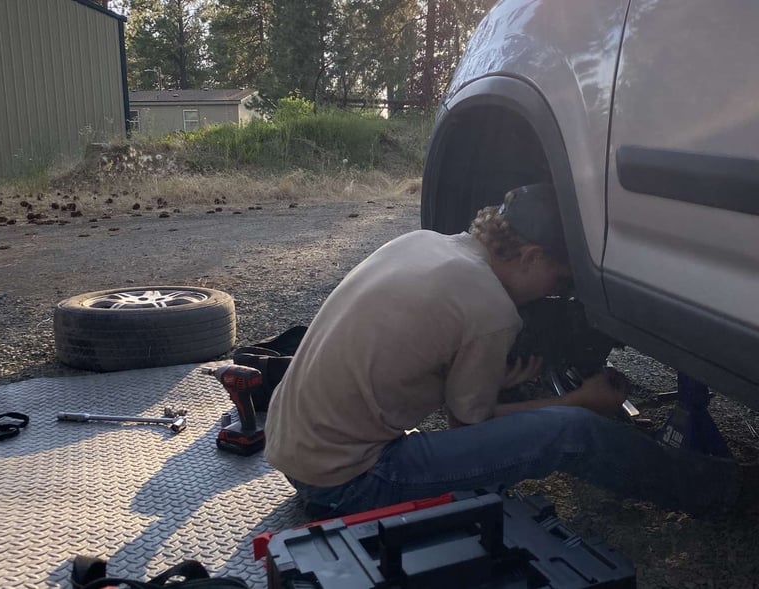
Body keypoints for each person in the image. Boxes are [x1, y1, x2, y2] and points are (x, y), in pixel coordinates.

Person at [264, 183, 745, 518]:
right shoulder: (491, 307)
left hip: (296, 455)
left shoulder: (426, 243)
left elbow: (426, 367)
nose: (558, 291)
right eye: (559, 279)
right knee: (572, 432)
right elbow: (467, 426)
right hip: (352, 482)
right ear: (532, 255)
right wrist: (582, 402)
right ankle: (725, 491)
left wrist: (489, 382)